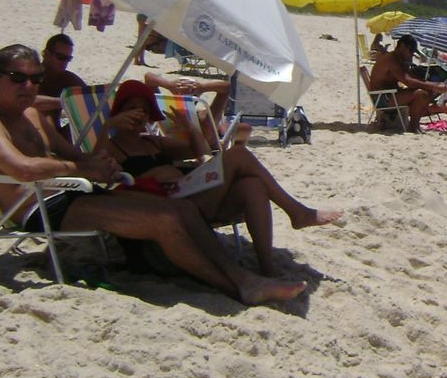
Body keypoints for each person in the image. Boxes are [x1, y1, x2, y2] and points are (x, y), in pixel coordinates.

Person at [0, 45, 305, 305]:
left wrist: (100, 159)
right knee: (164, 219)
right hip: (39, 207)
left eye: (36, 78)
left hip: (73, 191)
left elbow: (79, 156)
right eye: (18, 78)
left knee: (183, 209)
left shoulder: (33, 114)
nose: (29, 86)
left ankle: (243, 277)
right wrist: (80, 170)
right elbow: (20, 168)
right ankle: (235, 286)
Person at [97, 80, 341, 277]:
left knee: (252, 186)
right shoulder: (112, 146)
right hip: (167, 207)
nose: (138, 114)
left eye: (143, 108)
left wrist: (190, 127)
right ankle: (297, 212)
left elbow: (200, 152)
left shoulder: (153, 141)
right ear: (119, 112)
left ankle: (267, 267)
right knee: (238, 153)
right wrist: (107, 126)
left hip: (188, 194)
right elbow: (95, 167)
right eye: (131, 108)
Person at [368, 34, 447, 132]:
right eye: (410, 51)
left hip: (388, 95)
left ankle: (414, 125)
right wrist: (434, 86)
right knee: (421, 93)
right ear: (402, 46)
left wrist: (431, 85)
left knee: (426, 91)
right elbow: (409, 81)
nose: (411, 54)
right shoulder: (391, 60)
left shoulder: (397, 59)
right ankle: (413, 126)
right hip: (382, 98)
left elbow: (410, 77)